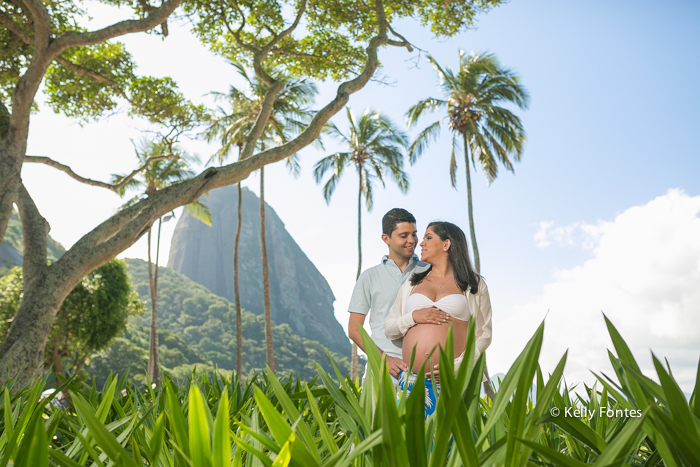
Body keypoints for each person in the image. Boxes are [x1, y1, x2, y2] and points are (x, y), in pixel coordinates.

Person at [384, 221, 492, 415]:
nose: (421, 243)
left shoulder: (473, 285)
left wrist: (456, 367)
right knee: (410, 443)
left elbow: (484, 334)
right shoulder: (411, 283)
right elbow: (390, 329)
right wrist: (414, 317)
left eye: (428, 237)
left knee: (449, 443)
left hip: (453, 380)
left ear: (446, 244)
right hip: (410, 381)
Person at [348, 208, 429, 381]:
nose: (411, 241)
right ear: (386, 238)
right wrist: (384, 359)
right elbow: (355, 329)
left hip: (425, 374)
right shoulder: (369, 277)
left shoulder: (430, 271)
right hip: (380, 374)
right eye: (404, 235)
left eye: (414, 234)